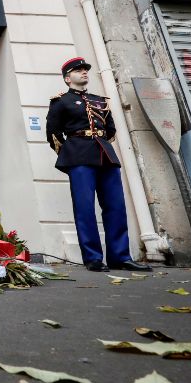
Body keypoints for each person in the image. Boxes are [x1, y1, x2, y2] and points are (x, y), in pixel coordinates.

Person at [46, 57, 151, 272]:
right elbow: (53, 133)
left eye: (85, 70)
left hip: (106, 156)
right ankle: (93, 258)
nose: (84, 73)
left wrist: (98, 142)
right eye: (78, 70)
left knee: (116, 207)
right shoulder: (61, 101)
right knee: (85, 209)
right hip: (79, 157)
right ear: (68, 78)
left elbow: (110, 130)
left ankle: (120, 257)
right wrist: (70, 154)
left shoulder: (100, 100)